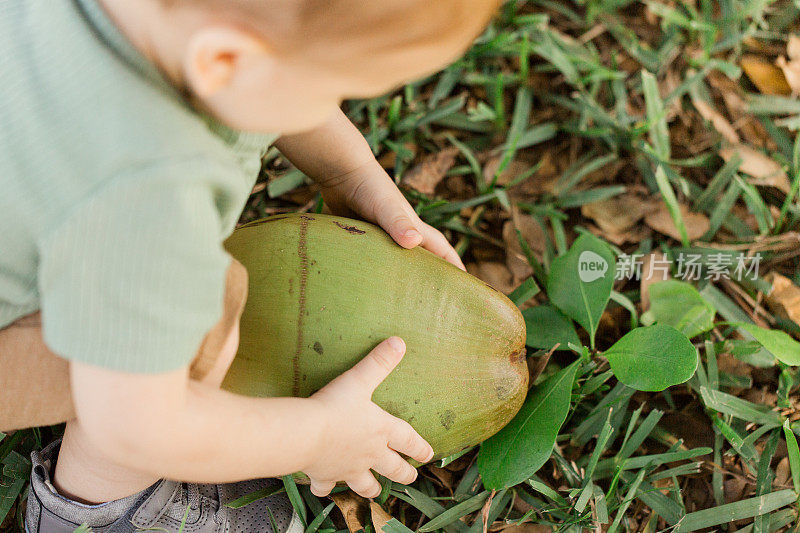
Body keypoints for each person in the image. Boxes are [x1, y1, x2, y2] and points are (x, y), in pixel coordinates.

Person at [0, 0, 501, 530]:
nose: (327, 105)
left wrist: (350, 175)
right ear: (224, 59)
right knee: (202, 323)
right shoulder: (152, 195)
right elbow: (137, 424)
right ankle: (93, 509)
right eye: (327, 87)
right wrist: (319, 435)